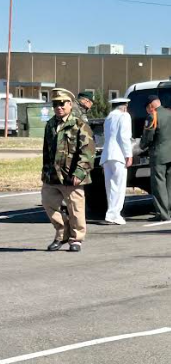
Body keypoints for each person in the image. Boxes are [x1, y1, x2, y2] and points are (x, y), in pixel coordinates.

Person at [42, 88, 95, 252]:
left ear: (70, 104)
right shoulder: (50, 124)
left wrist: (80, 172)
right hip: (52, 176)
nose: (58, 107)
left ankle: (76, 239)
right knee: (49, 204)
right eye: (55, 104)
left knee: (76, 209)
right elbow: (46, 151)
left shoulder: (79, 125)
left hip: (71, 176)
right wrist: (45, 172)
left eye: (62, 103)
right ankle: (62, 233)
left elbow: (88, 152)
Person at [139, 95, 171, 221]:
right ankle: (169, 210)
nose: (147, 110)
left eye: (147, 108)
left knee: (159, 184)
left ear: (151, 106)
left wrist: (141, 145)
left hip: (159, 155)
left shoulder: (153, 116)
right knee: (170, 184)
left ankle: (162, 213)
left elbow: (148, 137)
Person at [99, 97, 133, 225]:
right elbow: (124, 137)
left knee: (111, 187)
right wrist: (128, 154)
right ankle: (115, 214)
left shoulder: (109, 117)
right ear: (124, 107)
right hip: (119, 155)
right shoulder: (124, 116)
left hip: (107, 155)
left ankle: (110, 214)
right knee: (119, 187)